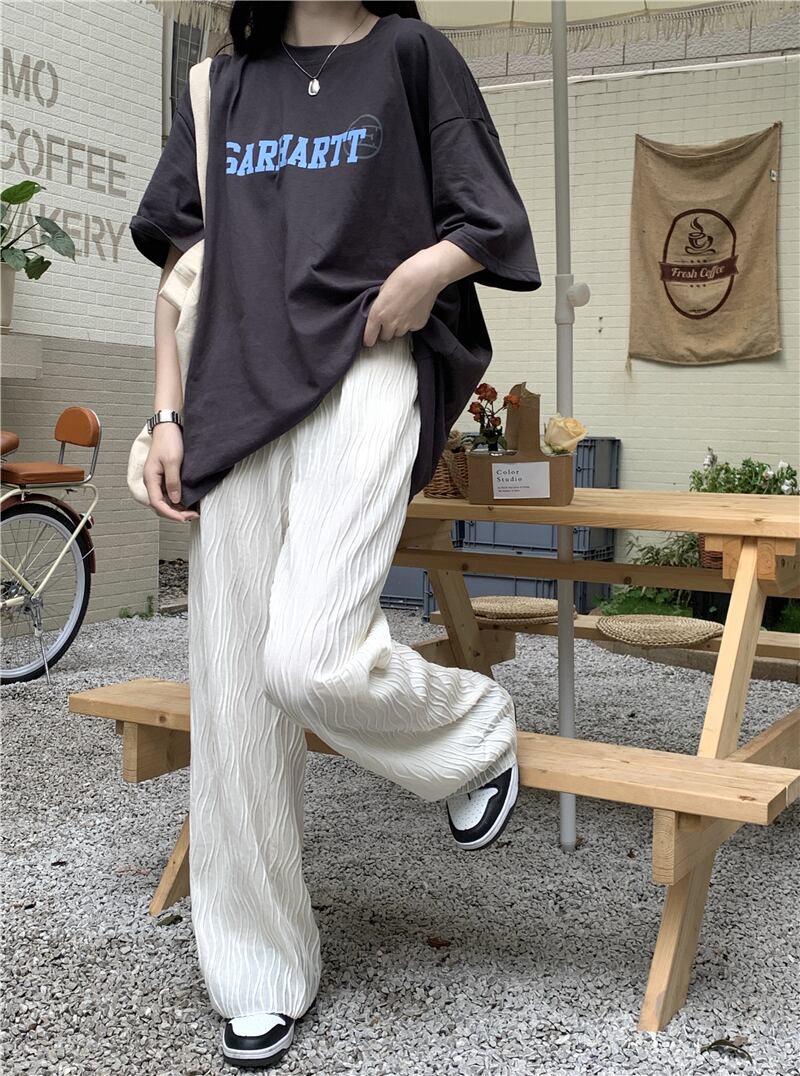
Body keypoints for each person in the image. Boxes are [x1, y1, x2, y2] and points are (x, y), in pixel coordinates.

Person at [129, 1, 541, 1068]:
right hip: (232, 391)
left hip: (364, 367)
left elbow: (485, 215)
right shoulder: (219, 85)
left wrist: (425, 272)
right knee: (233, 694)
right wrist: (164, 414)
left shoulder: (411, 56)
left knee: (308, 654)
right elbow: (181, 270)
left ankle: (471, 736)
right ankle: (257, 968)